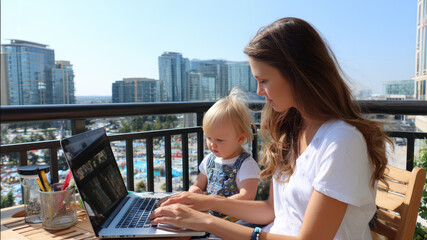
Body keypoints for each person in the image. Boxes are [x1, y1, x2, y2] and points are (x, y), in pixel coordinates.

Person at [150, 17, 391, 240]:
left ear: (298, 74)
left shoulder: (341, 142)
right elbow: (271, 210)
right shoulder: (294, 131)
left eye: (263, 80)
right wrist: (204, 202)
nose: (259, 91)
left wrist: (206, 221)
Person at [188, 88, 261, 220]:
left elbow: (247, 196)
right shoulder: (210, 160)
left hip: (235, 222)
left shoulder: (246, 165)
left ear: (240, 139)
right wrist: (194, 191)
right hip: (209, 219)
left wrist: (215, 204)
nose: (212, 144)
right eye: (209, 138)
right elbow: (198, 184)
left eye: (219, 140)